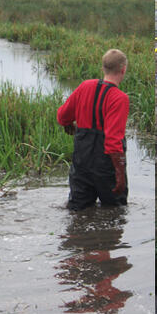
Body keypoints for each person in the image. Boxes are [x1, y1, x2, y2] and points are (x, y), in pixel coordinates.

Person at [56, 49, 129, 210]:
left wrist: (68, 124)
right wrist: (120, 174)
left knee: (77, 210)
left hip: (81, 162)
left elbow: (62, 116)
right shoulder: (120, 98)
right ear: (123, 69)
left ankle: (78, 235)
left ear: (103, 68)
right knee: (115, 212)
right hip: (106, 166)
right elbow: (112, 141)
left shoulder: (85, 86)